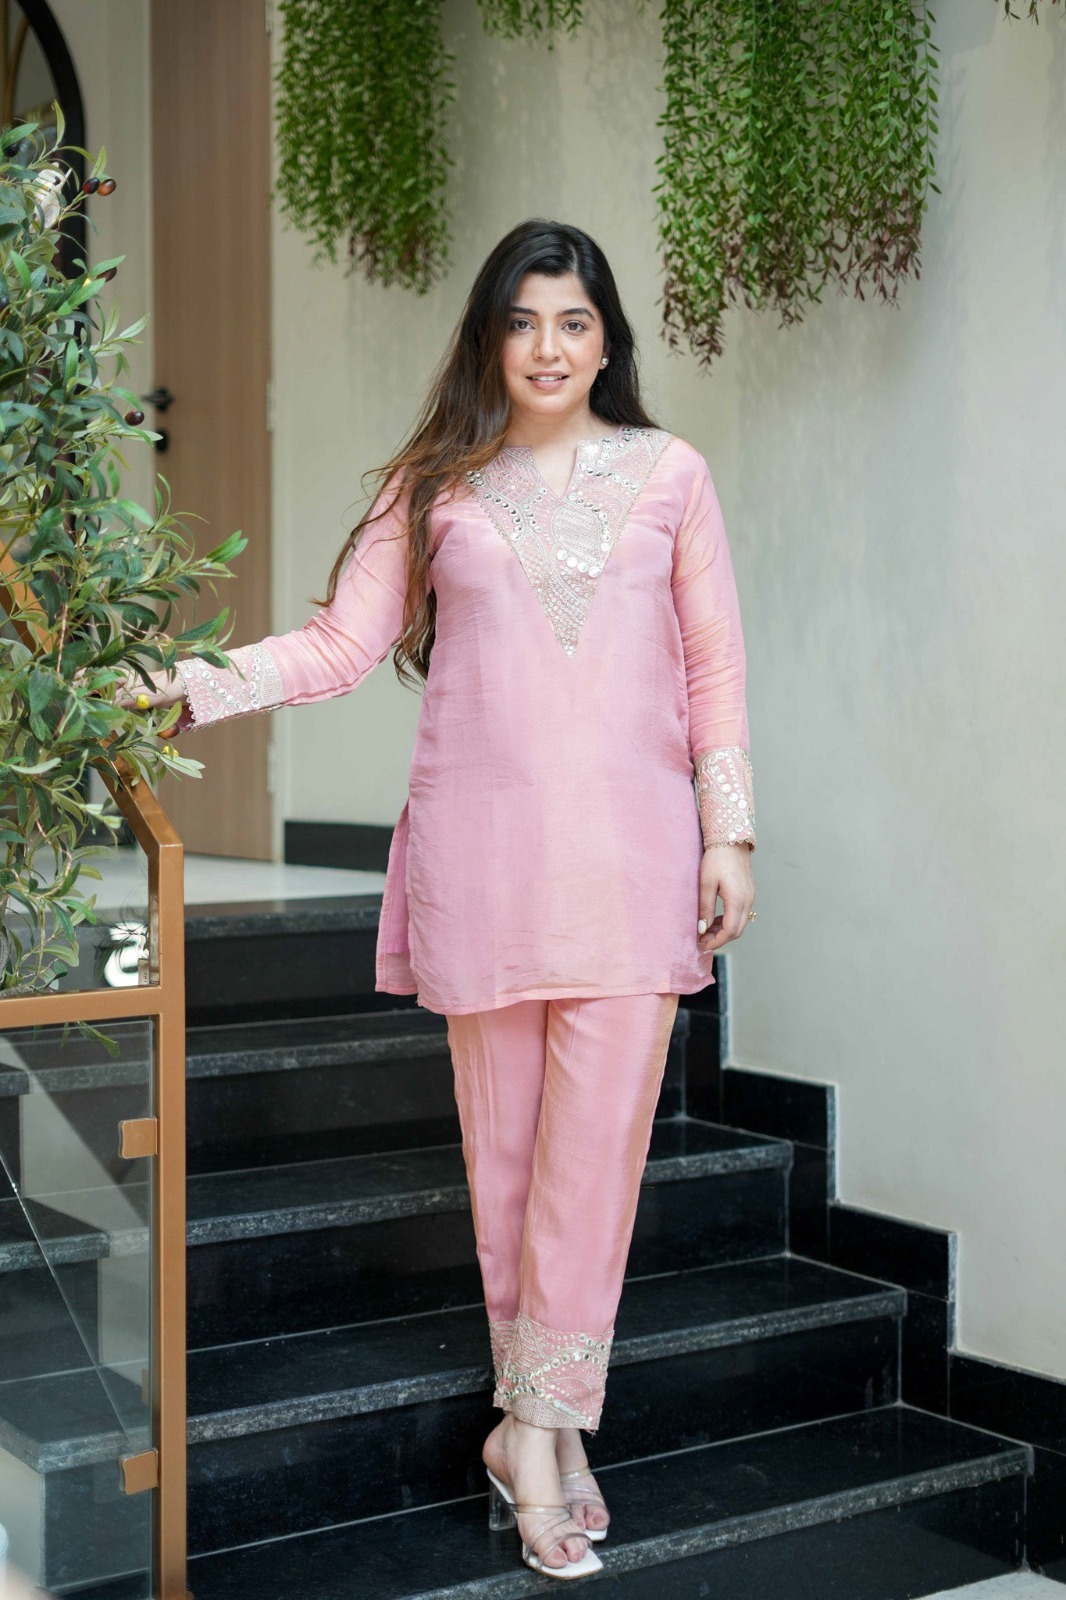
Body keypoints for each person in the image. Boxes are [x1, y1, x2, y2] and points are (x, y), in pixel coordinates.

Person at [118, 219, 756, 1580]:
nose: (547, 349)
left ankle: (538, 1420)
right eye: (522, 323)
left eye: (573, 323)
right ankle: (543, 1438)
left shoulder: (670, 474)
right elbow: (341, 647)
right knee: (509, 1157)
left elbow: (712, 665)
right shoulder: (436, 485)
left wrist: (731, 834)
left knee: (596, 1160)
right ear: (488, 339)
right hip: (484, 860)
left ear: (607, 341)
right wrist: (184, 684)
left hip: (635, 862)